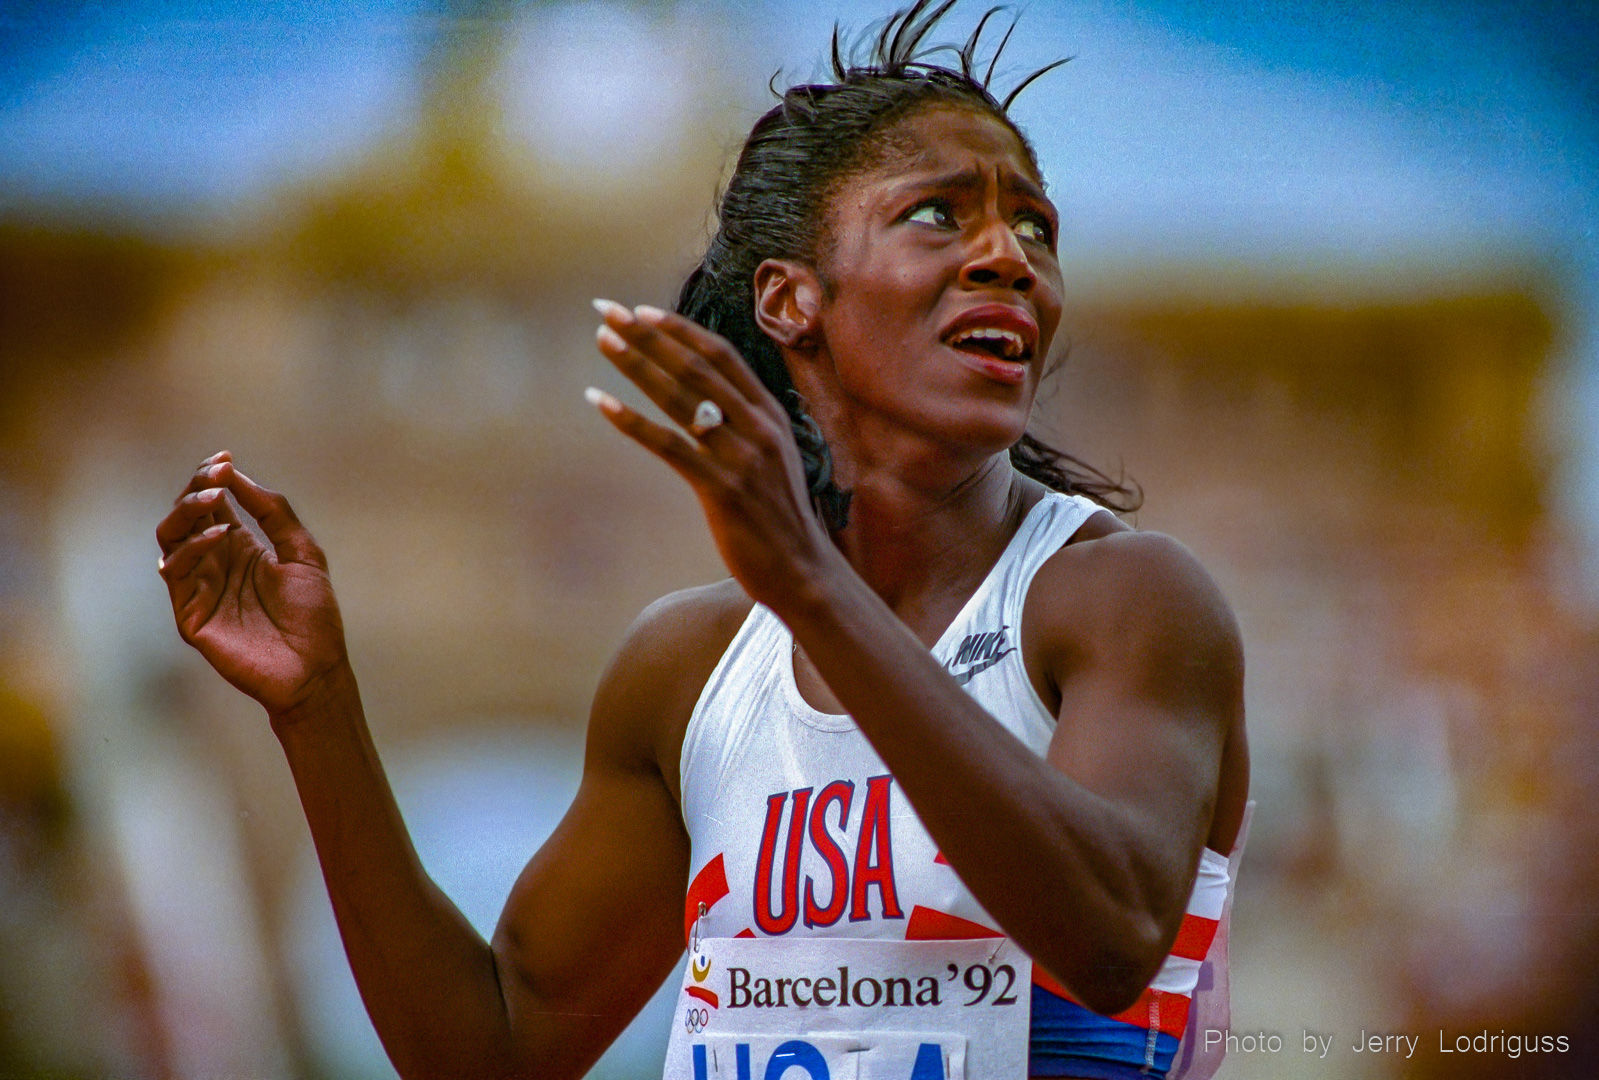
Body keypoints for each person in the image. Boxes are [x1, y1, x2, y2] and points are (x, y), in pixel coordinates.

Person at [155, 3, 1248, 1077]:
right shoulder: (687, 674)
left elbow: (1112, 937)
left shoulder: (1120, 599)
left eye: (1037, 228)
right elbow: (492, 1047)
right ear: (790, 300)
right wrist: (316, 706)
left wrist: (817, 589)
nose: (1010, 256)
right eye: (939, 215)